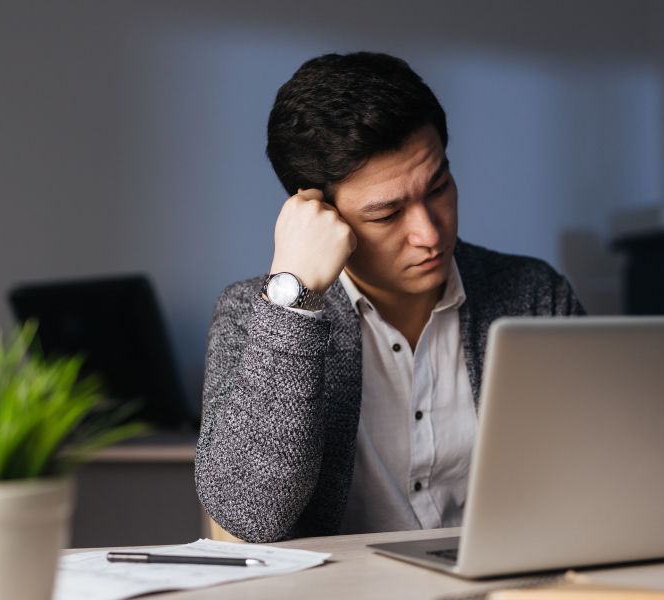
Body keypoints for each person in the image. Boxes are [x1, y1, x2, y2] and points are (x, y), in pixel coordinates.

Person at [195, 52, 585, 543]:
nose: (428, 233)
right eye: (387, 214)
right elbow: (249, 515)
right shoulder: (255, 315)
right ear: (317, 213)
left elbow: (599, 476)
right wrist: (294, 302)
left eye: (438, 187)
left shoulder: (534, 295)